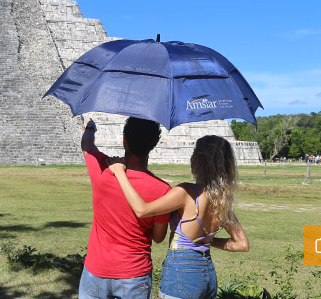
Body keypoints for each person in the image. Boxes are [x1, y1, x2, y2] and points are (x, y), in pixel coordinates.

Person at [109, 135, 249, 299]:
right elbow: (241, 244)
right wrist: (208, 240)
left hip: (182, 273)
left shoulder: (186, 192)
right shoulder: (221, 201)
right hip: (208, 273)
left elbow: (142, 210)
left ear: (198, 159)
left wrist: (119, 173)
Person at [79, 117, 172, 299]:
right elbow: (158, 237)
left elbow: (87, 146)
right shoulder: (162, 189)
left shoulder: (104, 169)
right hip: (134, 272)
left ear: (124, 140)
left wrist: (90, 128)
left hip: (97, 268)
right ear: (154, 143)